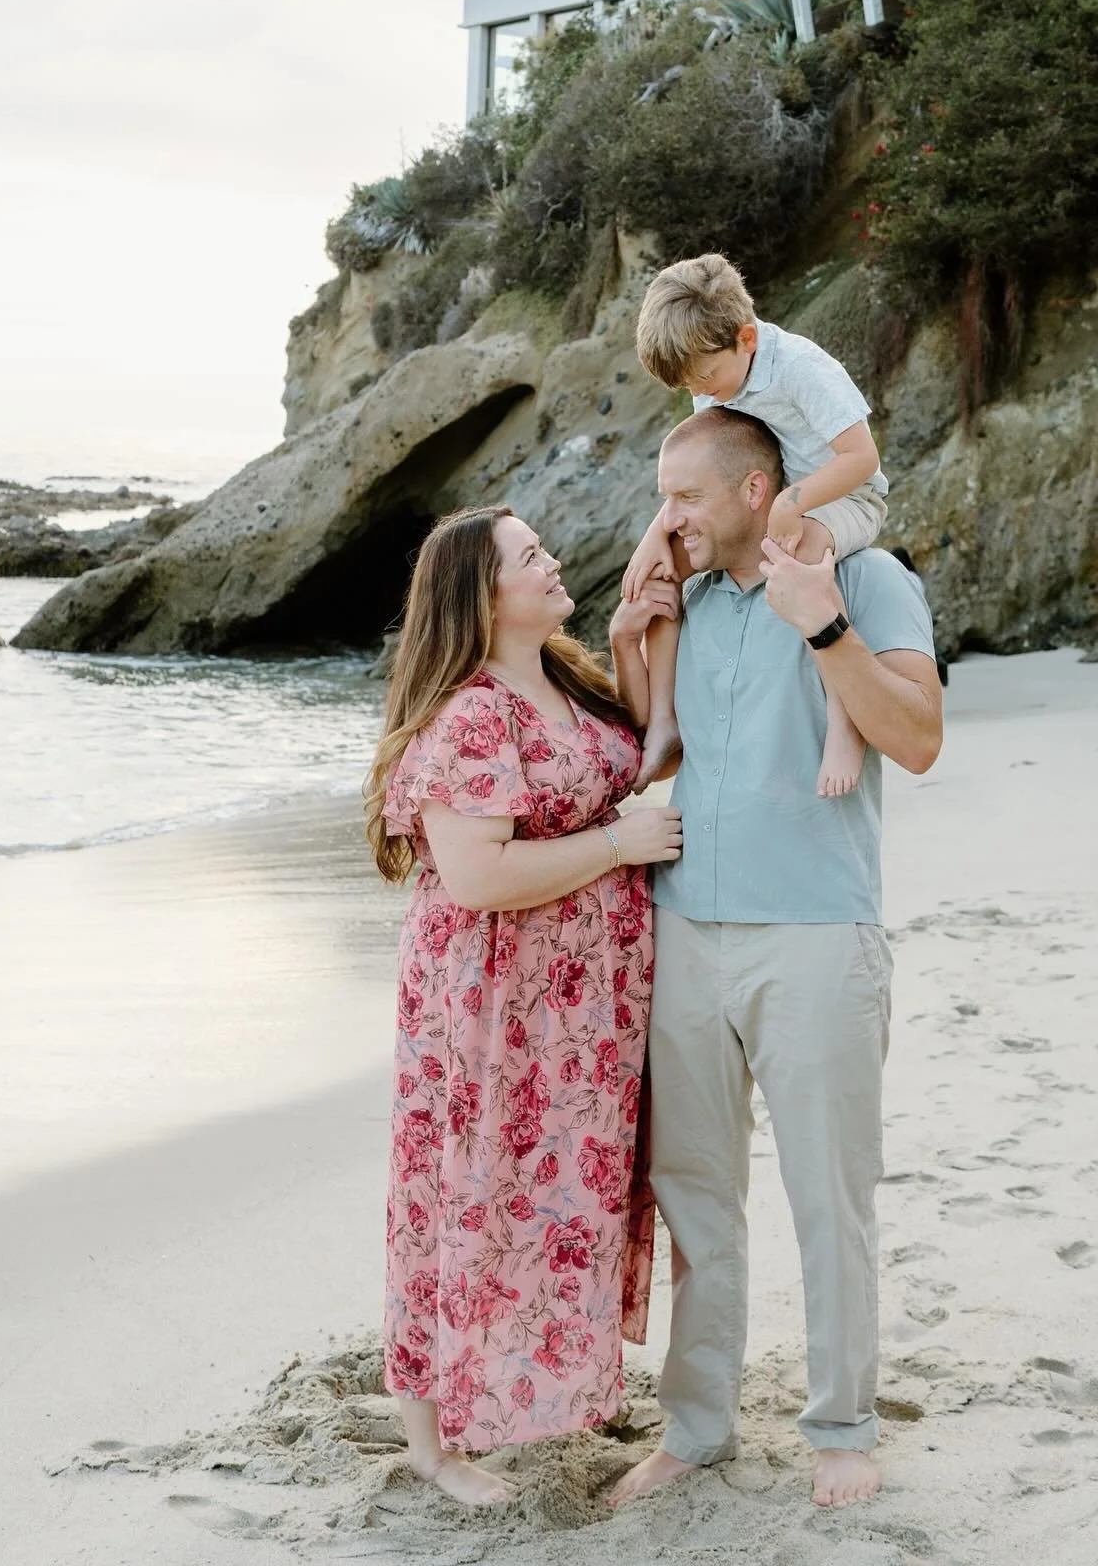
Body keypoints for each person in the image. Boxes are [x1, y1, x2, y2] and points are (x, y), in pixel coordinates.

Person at [606, 407, 942, 1511]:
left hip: (813, 936)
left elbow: (919, 737)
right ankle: (697, 1428)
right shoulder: (689, 606)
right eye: (663, 498)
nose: (670, 518)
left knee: (826, 1195)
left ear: (756, 492)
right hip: (686, 933)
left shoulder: (872, 577)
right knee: (697, 1198)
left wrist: (824, 628)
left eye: (686, 498)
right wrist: (629, 628)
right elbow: (646, 751)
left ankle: (842, 1426)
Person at [363, 506, 683, 1506]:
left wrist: (634, 644)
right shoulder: (472, 717)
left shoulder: (563, 680)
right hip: (495, 1016)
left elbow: (638, 759)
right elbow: (477, 877)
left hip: (574, 1024)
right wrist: (616, 849)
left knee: (546, 1208)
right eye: (529, 557)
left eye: (546, 545)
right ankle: (433, 1445)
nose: (551, 561)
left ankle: (530, 1385)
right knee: (459, 1200)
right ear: (482, 596)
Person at [624, 253, 889, 798]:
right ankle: (666, 718)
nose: (705, 392)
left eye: (707, 376)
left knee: (805, 549)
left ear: (745, 338)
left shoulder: (800, 368)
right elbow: (702, 461)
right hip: (770, 502)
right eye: (692, 384)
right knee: (663, 567)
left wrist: (795, 500)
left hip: (844, 497)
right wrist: (658, 534)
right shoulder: (716, 376)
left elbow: (861, 457)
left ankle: (844, 723)